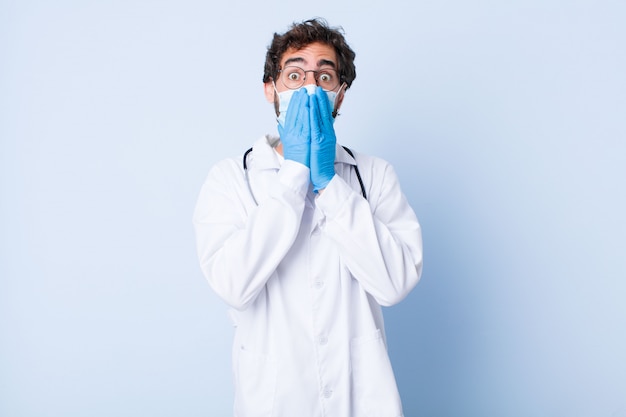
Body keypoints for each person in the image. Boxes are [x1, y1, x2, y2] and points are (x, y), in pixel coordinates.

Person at [193, 18, 423, 417]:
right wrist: (294, 177)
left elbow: (395, 283)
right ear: (271, 90)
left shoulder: (373, 176)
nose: (310, 87)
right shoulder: (230, 179)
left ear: (341, 96)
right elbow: (233, 285)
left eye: (325, 76)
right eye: (295, 74)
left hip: (362, 400)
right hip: (274, 401)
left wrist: (330, 184)